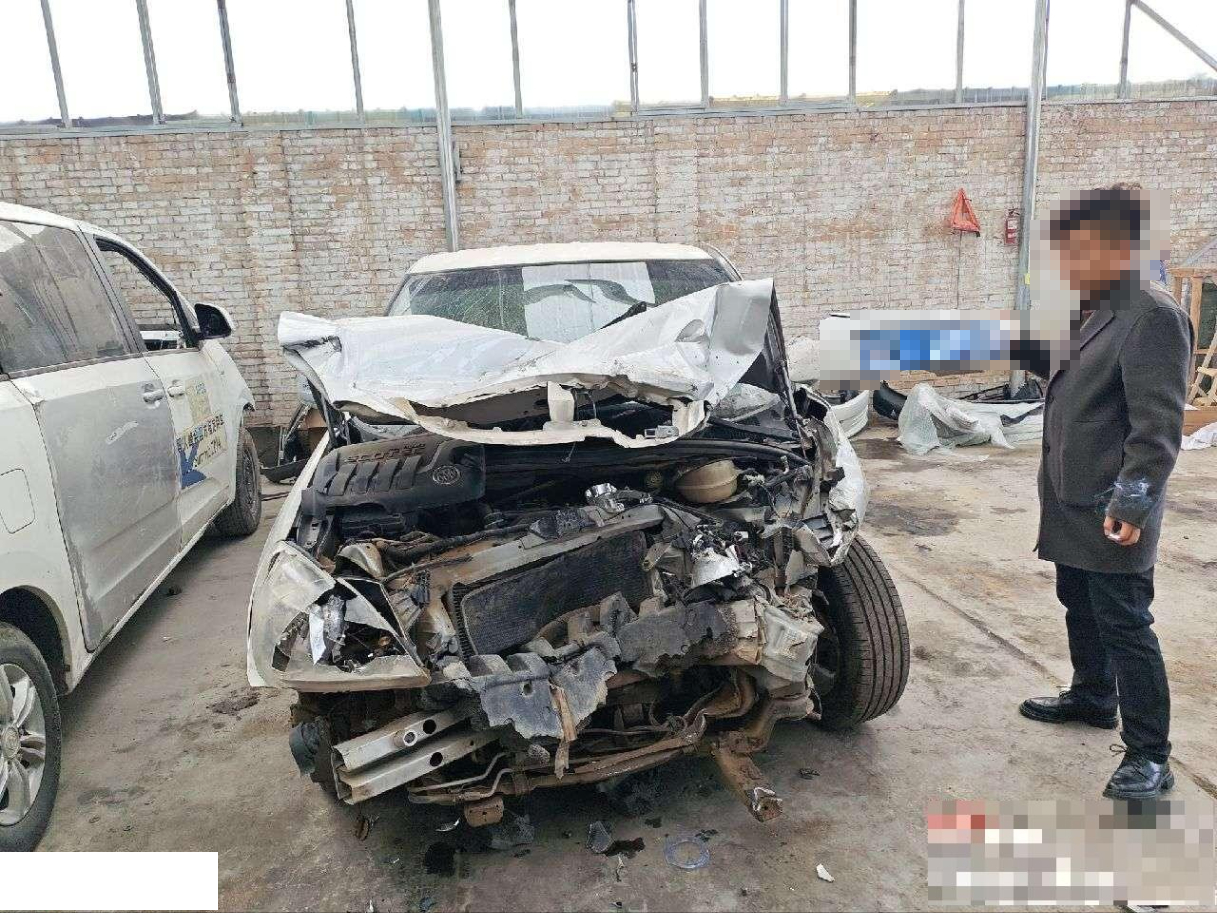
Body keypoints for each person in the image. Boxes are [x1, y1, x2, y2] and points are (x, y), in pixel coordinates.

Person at [1013, 185, 1192, 800]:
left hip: (1112, 503)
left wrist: (1133, 502)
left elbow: (1157, 427)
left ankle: (1150, 755)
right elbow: (1061, 373)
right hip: (1070, 494)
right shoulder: (1092, 308)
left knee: (1125, 623)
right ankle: (1093, 696)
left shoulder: (1152, 316)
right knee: (1078, 601)